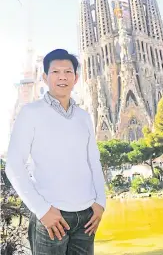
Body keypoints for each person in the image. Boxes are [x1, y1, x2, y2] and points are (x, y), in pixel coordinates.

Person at [6, 49, 106, 255]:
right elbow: (14, 165)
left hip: (86, 217)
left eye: (68, 72)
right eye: (55, 72)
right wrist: (42, 210)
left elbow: (93, 162)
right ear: (44, 77)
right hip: (52, 216)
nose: (62, 77)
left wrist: (100, 203)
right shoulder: (30, 113)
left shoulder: (84, 117)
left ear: (76, 77)